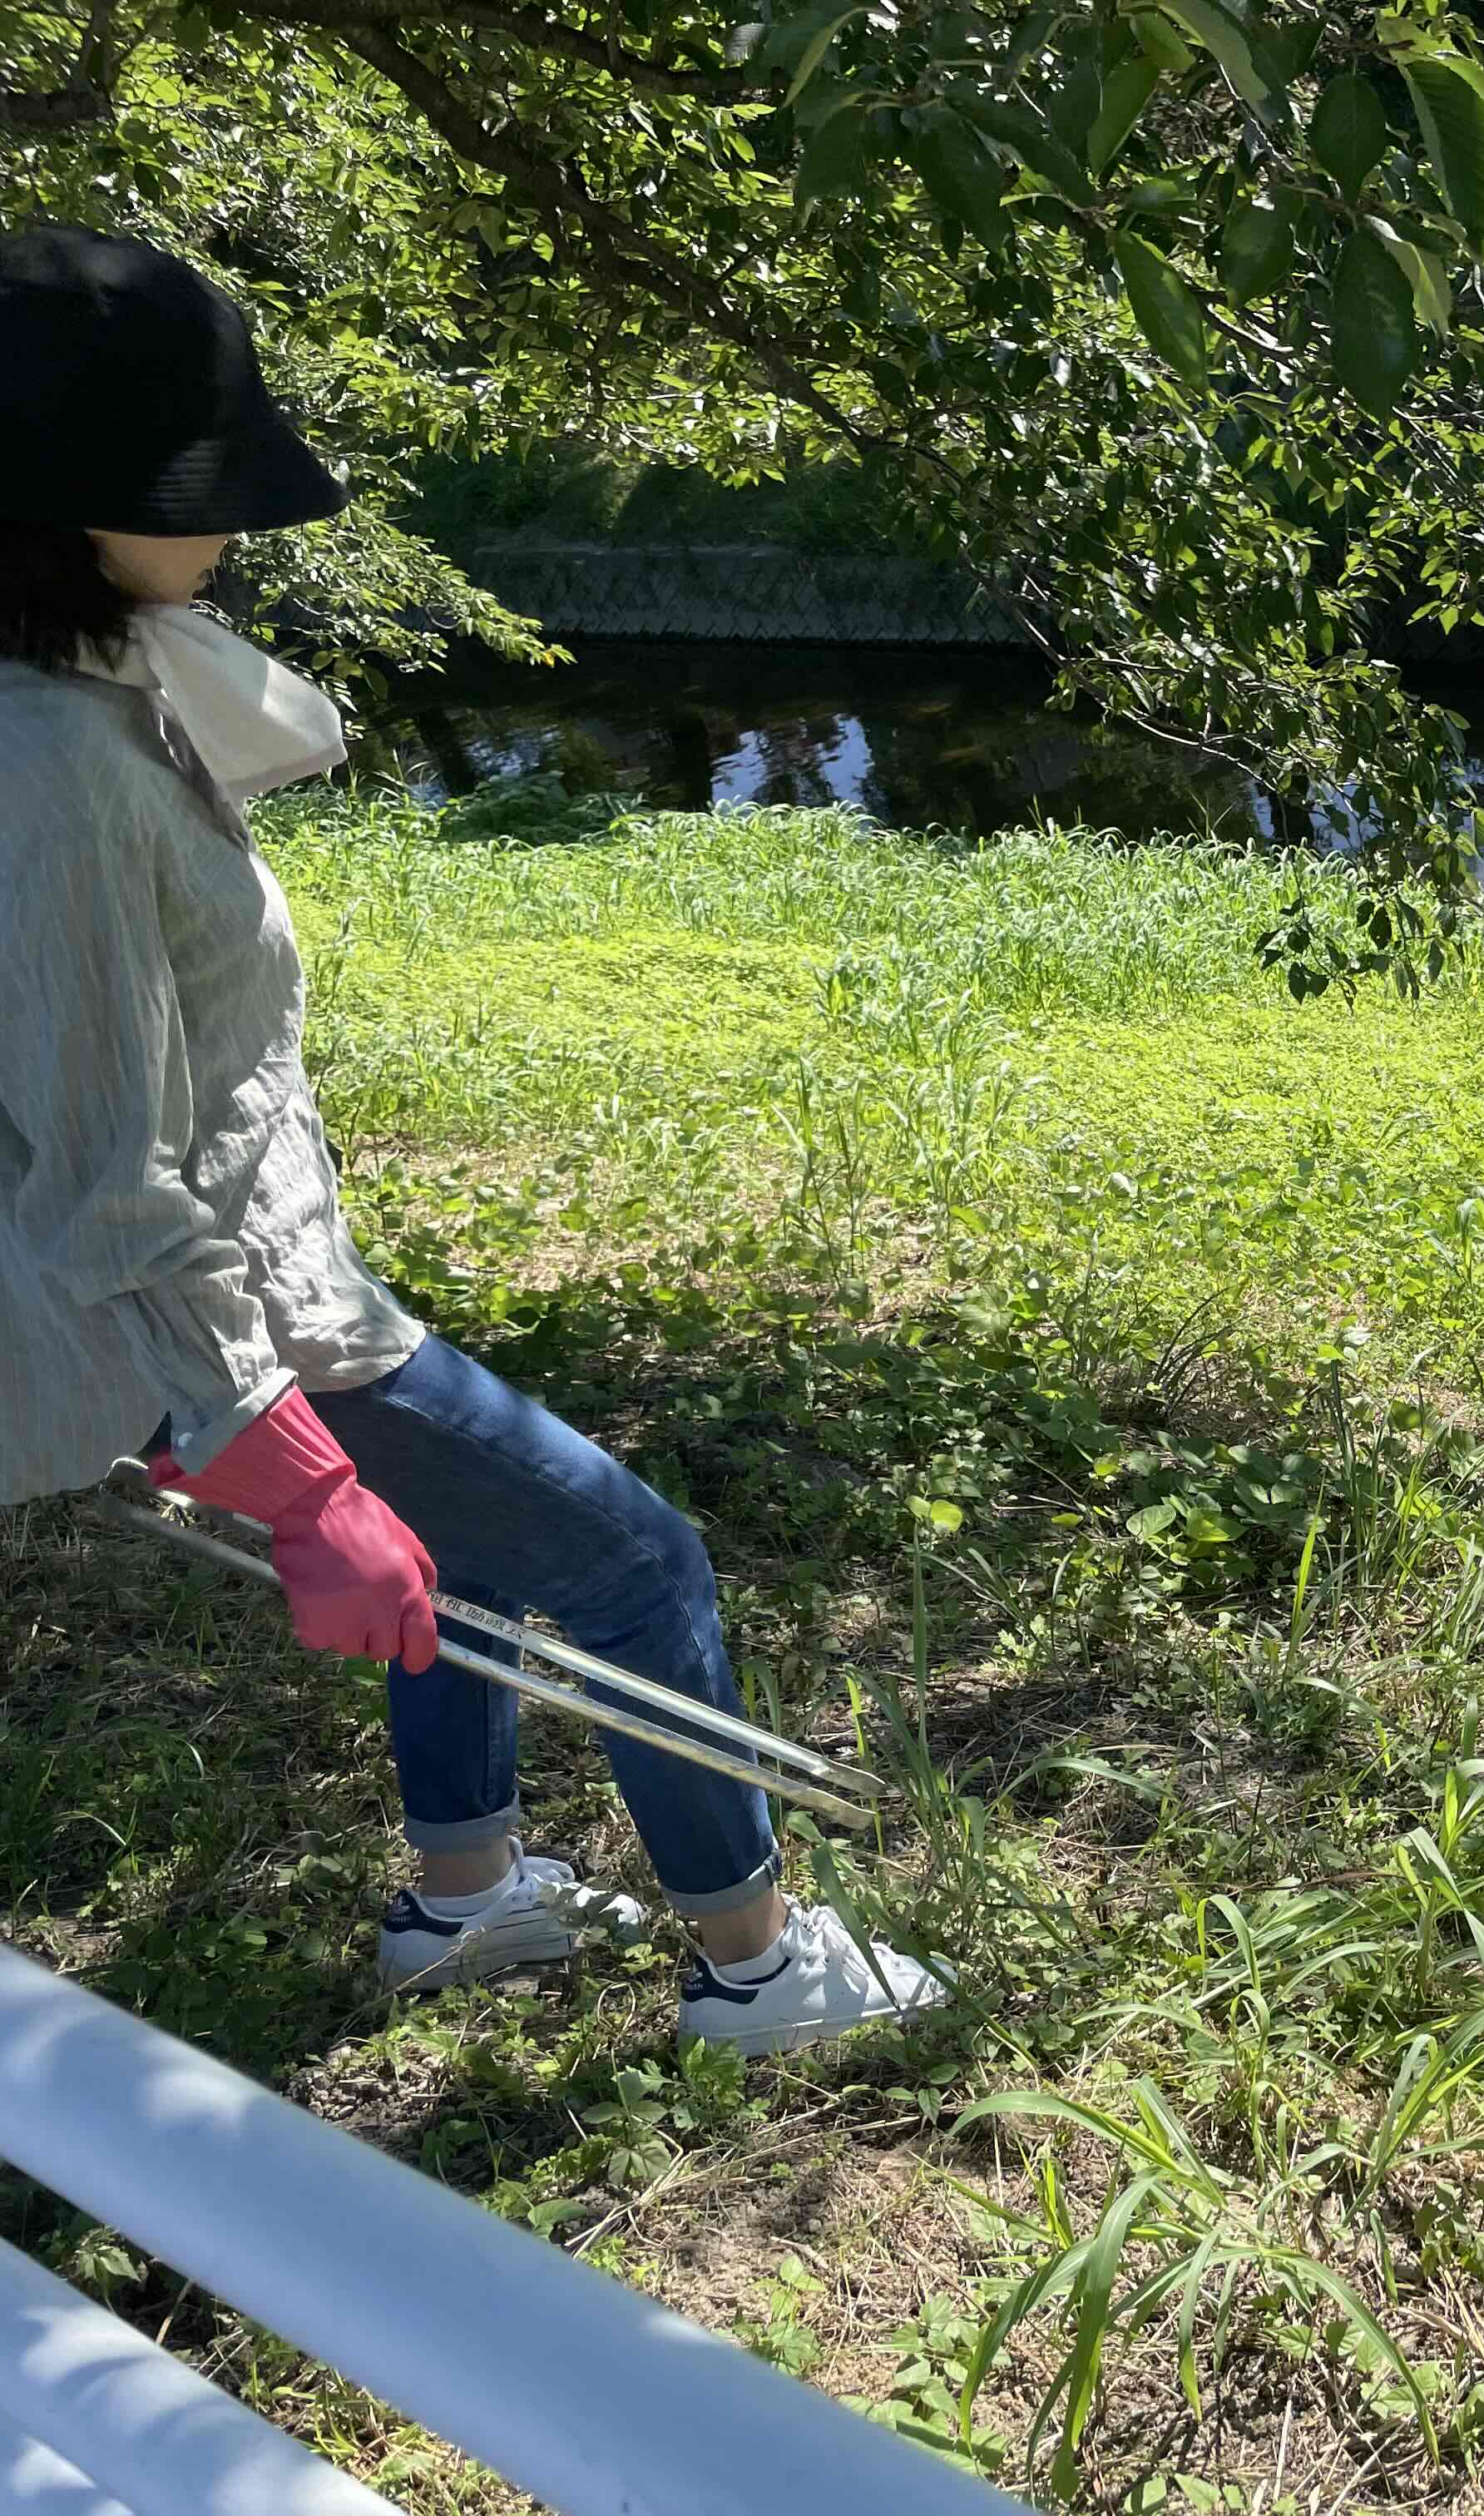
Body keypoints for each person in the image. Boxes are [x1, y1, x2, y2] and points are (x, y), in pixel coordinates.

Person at [0, 225, 944, 2054]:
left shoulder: (92, 671)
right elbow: (117, 1180)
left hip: (270, 1288)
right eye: (194, 485)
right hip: (251, 1330)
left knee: (494, 1561)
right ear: (68, 504)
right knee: (639, 1564)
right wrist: (298, 1479)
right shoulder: (54, 766)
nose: (237, 525)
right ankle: (756, 1967)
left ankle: (464, 1900)